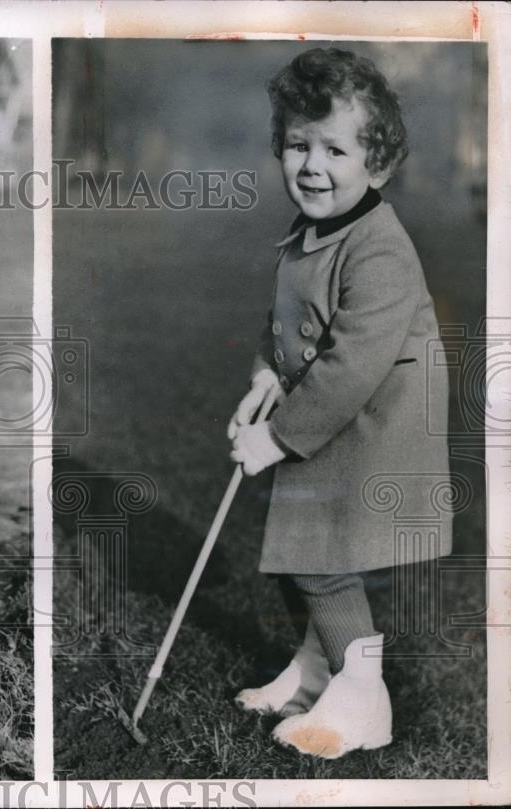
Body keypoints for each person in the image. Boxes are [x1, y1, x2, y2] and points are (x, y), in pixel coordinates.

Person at [226, 47, 451, 758]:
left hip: (374, 426)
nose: (312, 165)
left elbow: (353, 362)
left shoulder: (380, 249)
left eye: (335, 148)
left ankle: (362, 699)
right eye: (298, 145)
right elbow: (282, 325)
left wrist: (279, 436)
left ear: (378, 164)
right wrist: (266, 378)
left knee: (324, 558)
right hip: (323, 421)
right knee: (301, 549)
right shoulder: (308, 234)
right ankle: (317, 668)